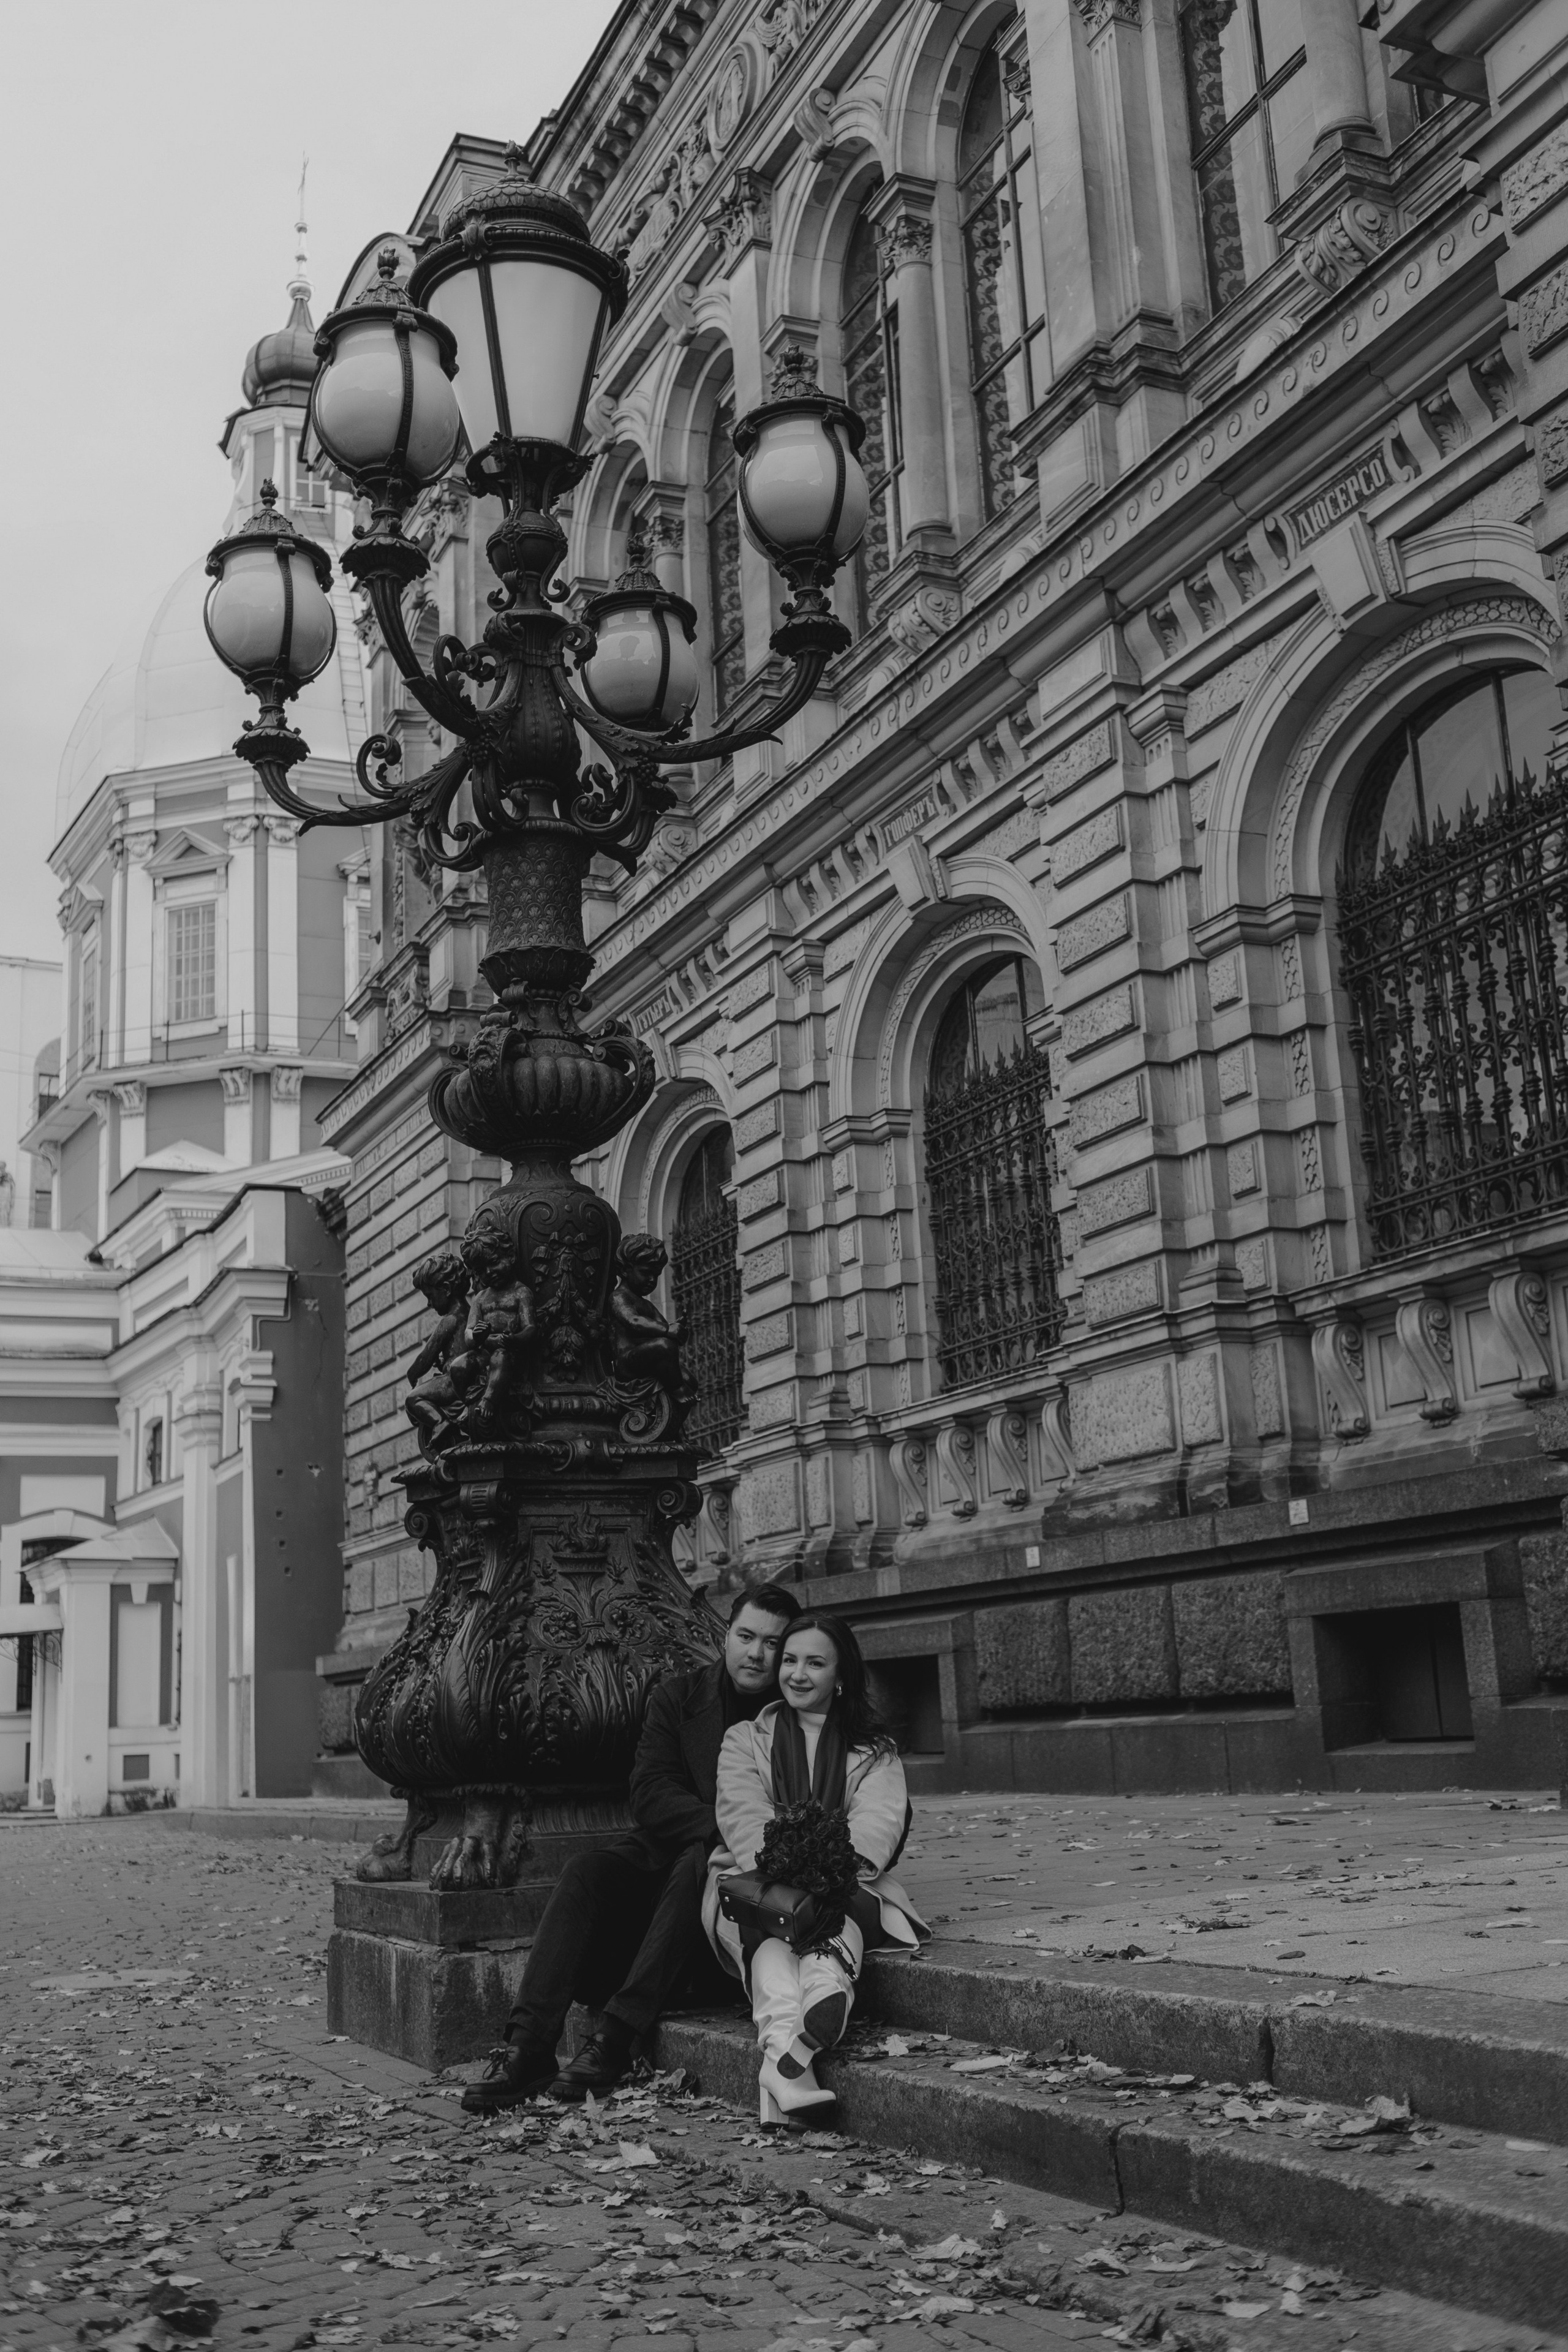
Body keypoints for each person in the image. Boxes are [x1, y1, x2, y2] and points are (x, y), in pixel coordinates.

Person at [462, 1581, 801, 2116]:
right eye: (746, 1636)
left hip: (732, 1892)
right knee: (586, 1871)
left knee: (701, 1864)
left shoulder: (797, 1711)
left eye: (773, 1643)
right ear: (726, 1633)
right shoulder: (680, 1697)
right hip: (664, 1855)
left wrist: (731, 1840)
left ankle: (615, 2038)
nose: (757, 1654)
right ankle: (527, 2048)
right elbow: (650, 1792)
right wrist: (720, 1826)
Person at [704, 1610, 929, 2126]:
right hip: (756, 1880)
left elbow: (877, 1827)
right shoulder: (745, 1739)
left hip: (846, 1883)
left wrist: (823, 1870)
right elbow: (742, 1818)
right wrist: (791, 1867)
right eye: (790, 1660)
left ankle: (790, 2052)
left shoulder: (875, 1752)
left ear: (842, 1676)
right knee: (773, 1916)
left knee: (822, 1908)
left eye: (815, 1663)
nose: (797, 1674)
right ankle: (802, 2041)